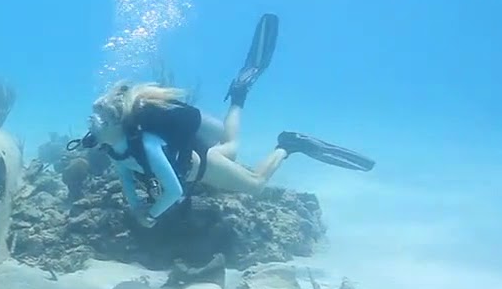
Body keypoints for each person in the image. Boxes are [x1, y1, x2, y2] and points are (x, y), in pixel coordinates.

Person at [68, 14, 375, 227]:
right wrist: (135, 205)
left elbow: (174, 191)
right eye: (92, 118)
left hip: (204, 167)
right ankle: (239, 94)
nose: (91, 124)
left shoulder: (146, 144)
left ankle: (287, 146)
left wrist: (151, 214)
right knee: (232, 144)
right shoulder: (112, 146)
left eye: (98, 119)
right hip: (200, 157)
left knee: (255, 185)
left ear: (116, 123)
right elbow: (125, 173)